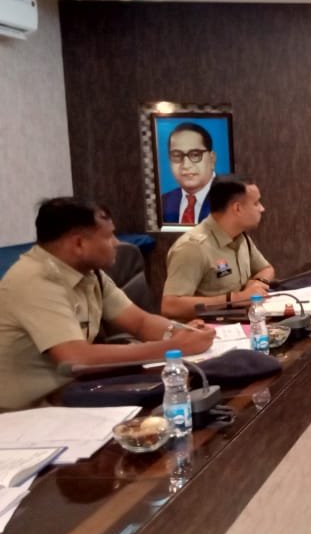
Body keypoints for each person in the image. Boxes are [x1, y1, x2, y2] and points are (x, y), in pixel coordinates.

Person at [0, 198, 216, 410]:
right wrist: (172, 348)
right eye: (108, 236)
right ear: (78, 243)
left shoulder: (90, 274)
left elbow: (140, 322)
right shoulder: (35, 280)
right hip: (28, 411)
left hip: (72, 392)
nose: (116, 243)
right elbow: (76, 359)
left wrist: (182, 332)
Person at [162, 177, 275, 320]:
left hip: (243, 322)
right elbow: (170, 306)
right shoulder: (192, 248)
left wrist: (258, 283)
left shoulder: (240, 236)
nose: (262, 208)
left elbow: (266, 269)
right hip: (209, 329)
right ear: (237, 208)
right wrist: (235, 299)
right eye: (256, 203)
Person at [161, 122, 217, 225]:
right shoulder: (162, 203)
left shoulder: (231, 200)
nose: (186, 165)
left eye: (195, 155)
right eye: (177, 155)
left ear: (212, 159)